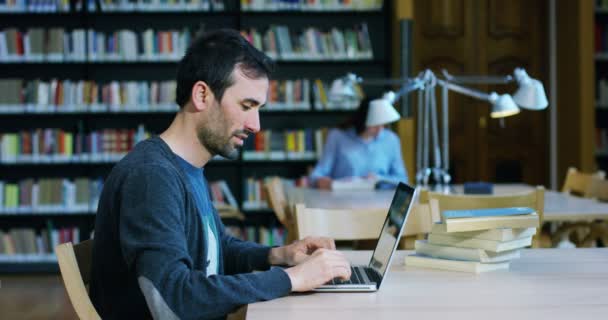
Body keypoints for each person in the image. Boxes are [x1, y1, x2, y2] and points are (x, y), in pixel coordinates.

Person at [90, 29, 352, 320]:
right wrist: (292, 279)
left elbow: (215, 249)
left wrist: (279, 255)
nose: (256, 125)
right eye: (247, 106)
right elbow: (173, 299)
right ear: (202, 95)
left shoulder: (184, 168)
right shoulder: (152, 177)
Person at [310, 97, 408, 189]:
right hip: (342, 200)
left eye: (382, 124)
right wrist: (324, 183)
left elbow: (402, 179)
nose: (379, 130)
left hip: (380, 201)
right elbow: (316, 175)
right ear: (363, 121)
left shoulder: (391, 139)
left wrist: (380, 179)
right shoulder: (337, 136)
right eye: (375, 125)